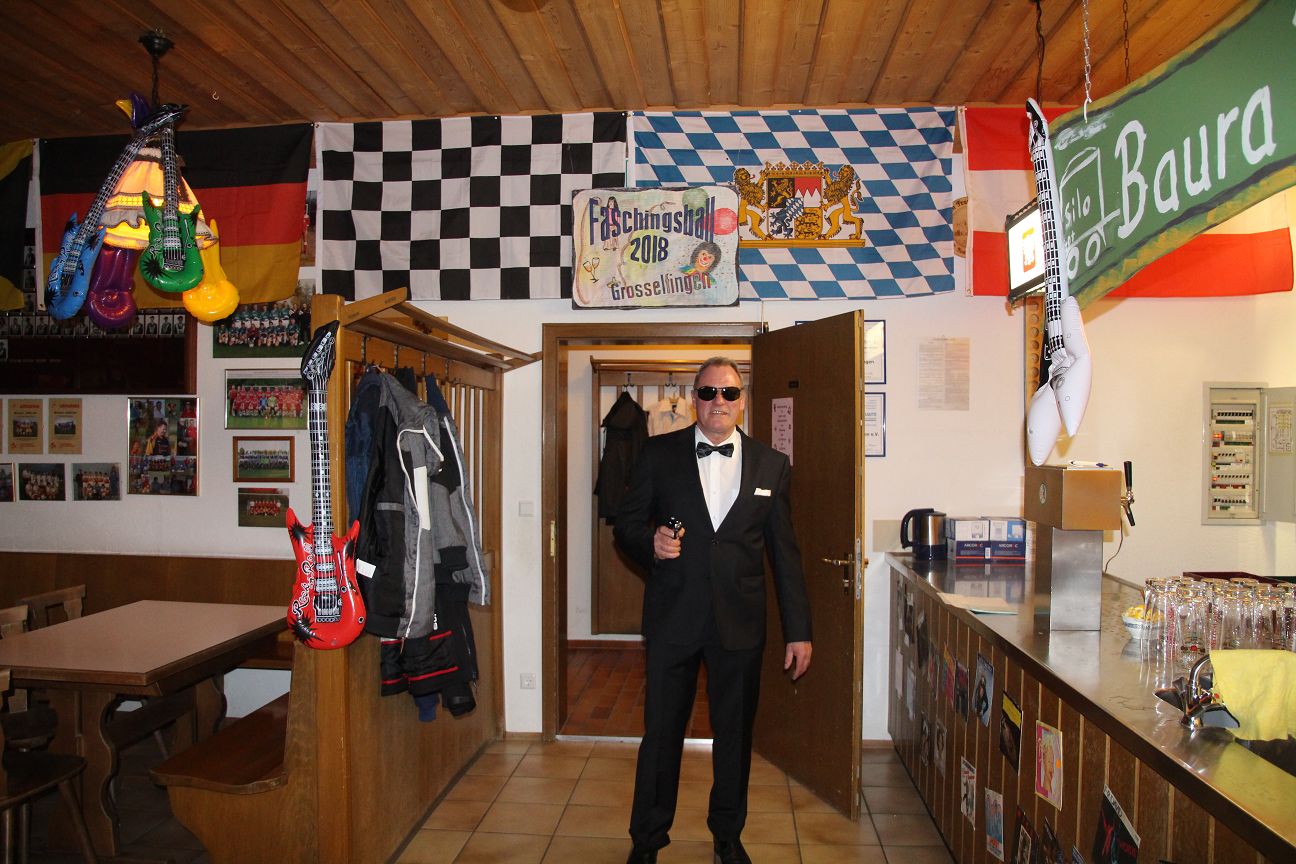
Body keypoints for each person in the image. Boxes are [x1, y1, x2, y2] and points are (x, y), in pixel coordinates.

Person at [614, 357, 812, 864]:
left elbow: (785, 555)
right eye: (707, 393)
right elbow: (626, 526)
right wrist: (650, 543)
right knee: (661, 736)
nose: (717, 401)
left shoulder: (772, 465)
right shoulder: (658, 454)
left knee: (735, 737)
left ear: (742, 400)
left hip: (740, 625)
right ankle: (647, 841)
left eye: (728, 393)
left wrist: (799, 631)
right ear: (693, 398)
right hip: (673, 619)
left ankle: (727, 837)